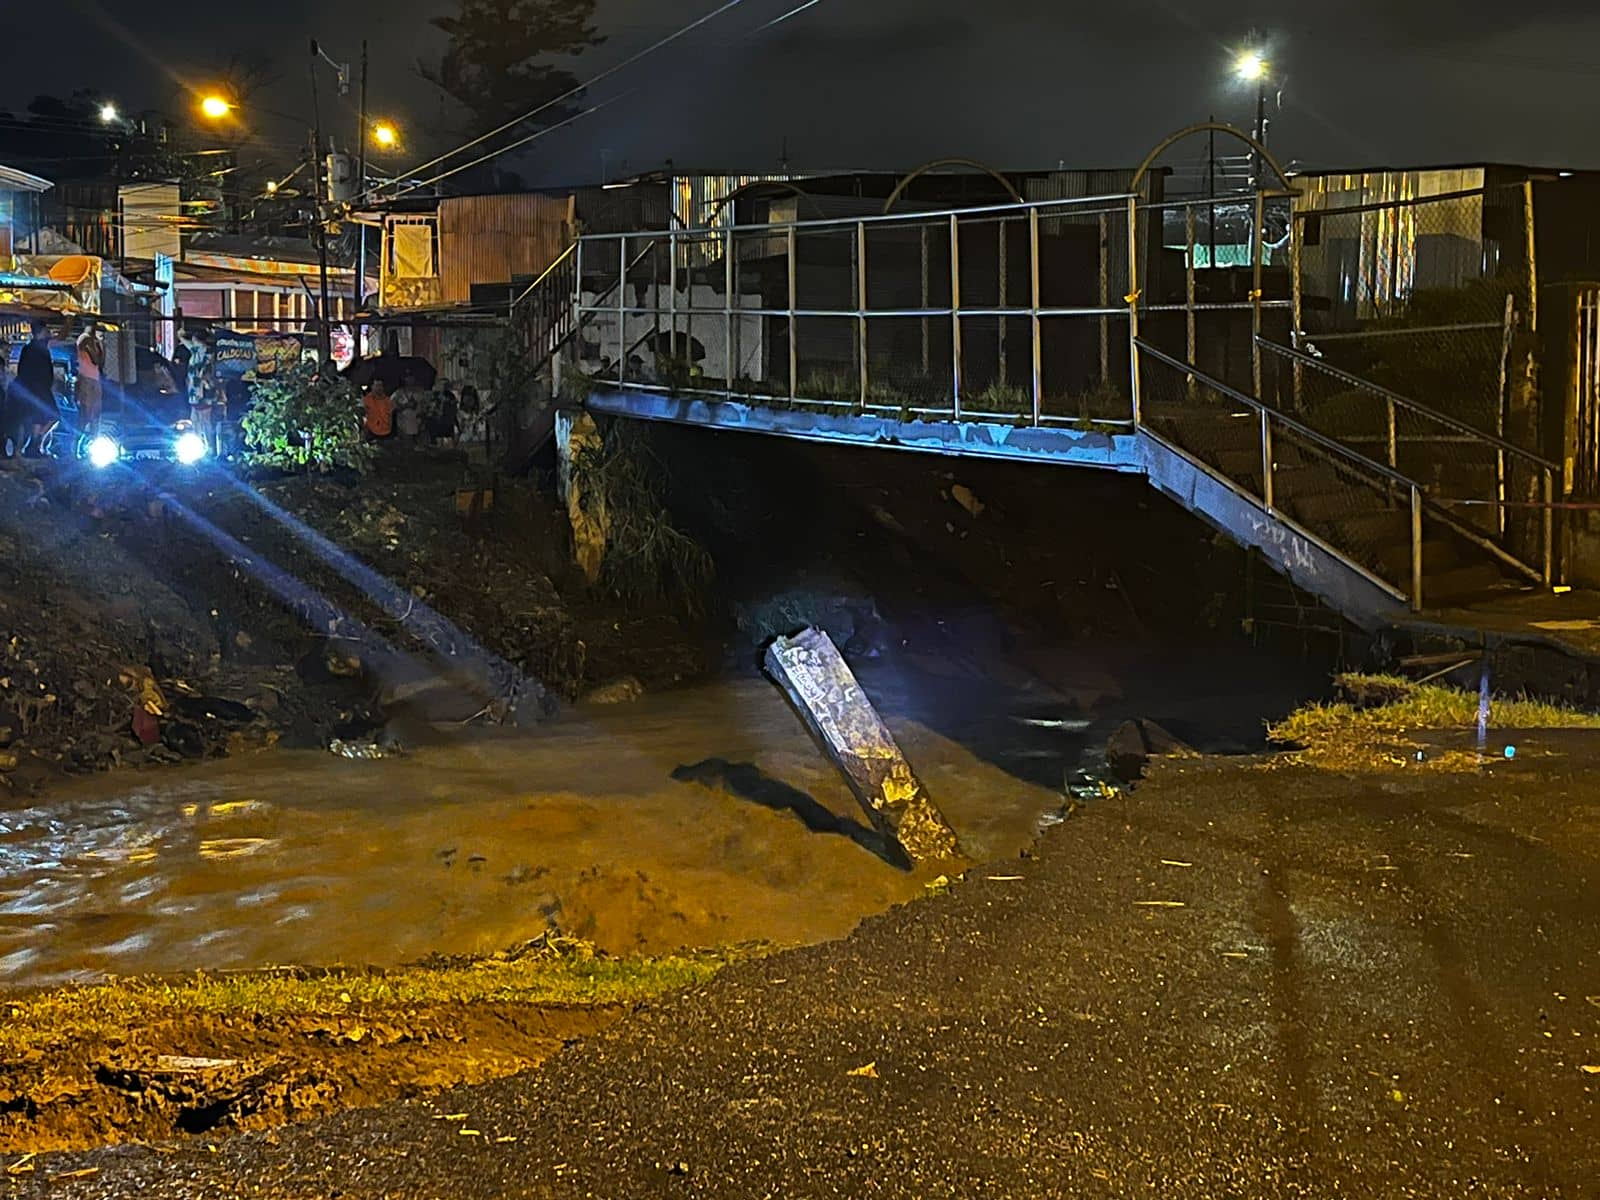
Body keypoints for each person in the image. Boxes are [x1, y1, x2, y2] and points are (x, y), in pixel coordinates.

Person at [15, 320, 56, 457]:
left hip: (34, 388)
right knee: (53, 415)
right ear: (40, 332)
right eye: (46, 330)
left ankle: (36, 446)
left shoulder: (29, 348)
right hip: (40, 387)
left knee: (38, 418)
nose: (48, 333)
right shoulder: (37, 348)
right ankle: (36, 443)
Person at [74, 320, 105, 438]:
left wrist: (101, 345)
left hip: (95, 378)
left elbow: (101, 362)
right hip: (86, 378)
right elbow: (95, 359)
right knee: (86, 412)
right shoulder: (84, 339)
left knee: (96, 412)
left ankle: (92, 439)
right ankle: (78, 442)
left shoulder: (96, 341)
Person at [428, 377, 459, 446]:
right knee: (438, 441)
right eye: (442, 384)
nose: (443, 386)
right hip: (437, 421)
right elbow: (431, 408)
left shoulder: (450, 395)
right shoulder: (435, 395)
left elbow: (454, 408)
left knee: (449, 440)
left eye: (445, 384)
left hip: (447, 421)